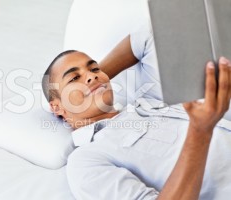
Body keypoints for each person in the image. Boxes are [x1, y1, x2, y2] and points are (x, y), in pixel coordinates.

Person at [41, 30, 231, 199]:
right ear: (57, 107)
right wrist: (200, 131)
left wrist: (93, 83)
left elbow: (150, 39)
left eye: (94, 68)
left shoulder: (148, 102)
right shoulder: (86, 160)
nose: (91, 75)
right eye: (74, 78)